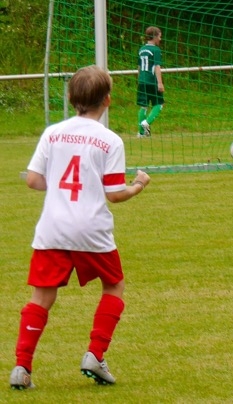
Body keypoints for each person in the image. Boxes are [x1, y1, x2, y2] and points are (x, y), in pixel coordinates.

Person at [9, 65, 151, 390]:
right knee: (114, 285)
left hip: (53, 228)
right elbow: (115, 194)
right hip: (90, 228)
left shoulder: (52, 133)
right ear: (107, 100)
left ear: (72, 97)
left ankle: (21, 367)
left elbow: (33, 180)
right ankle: (95, 355)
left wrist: (59, 184)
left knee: (41, 296)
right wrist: (139, 185)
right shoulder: (110, 140)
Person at [136, 26, 164, 137]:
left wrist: (139, 79)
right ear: (154, 36)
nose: (160, 39)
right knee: (159, 104)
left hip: (142, 81)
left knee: (143, 106)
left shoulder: (141, 49)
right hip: (152, 81)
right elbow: (157, 67)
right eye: (159, 36)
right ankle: (146, 123)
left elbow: (139, 67)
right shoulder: (156, 50)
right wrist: (160, 83)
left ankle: (141, 133)